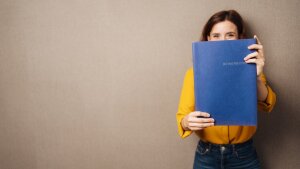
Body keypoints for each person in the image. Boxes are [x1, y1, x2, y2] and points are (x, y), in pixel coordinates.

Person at [176, 10, 276, 169]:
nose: (222, 41)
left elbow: (267, 103)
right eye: (216, 36)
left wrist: (255, 77)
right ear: (208, 38)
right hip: (206, 155)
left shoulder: (251, 68)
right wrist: (187, 122)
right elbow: (182, 118)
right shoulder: (194, 74)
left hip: (244, 156)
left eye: (230, 35)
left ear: (240, 38)